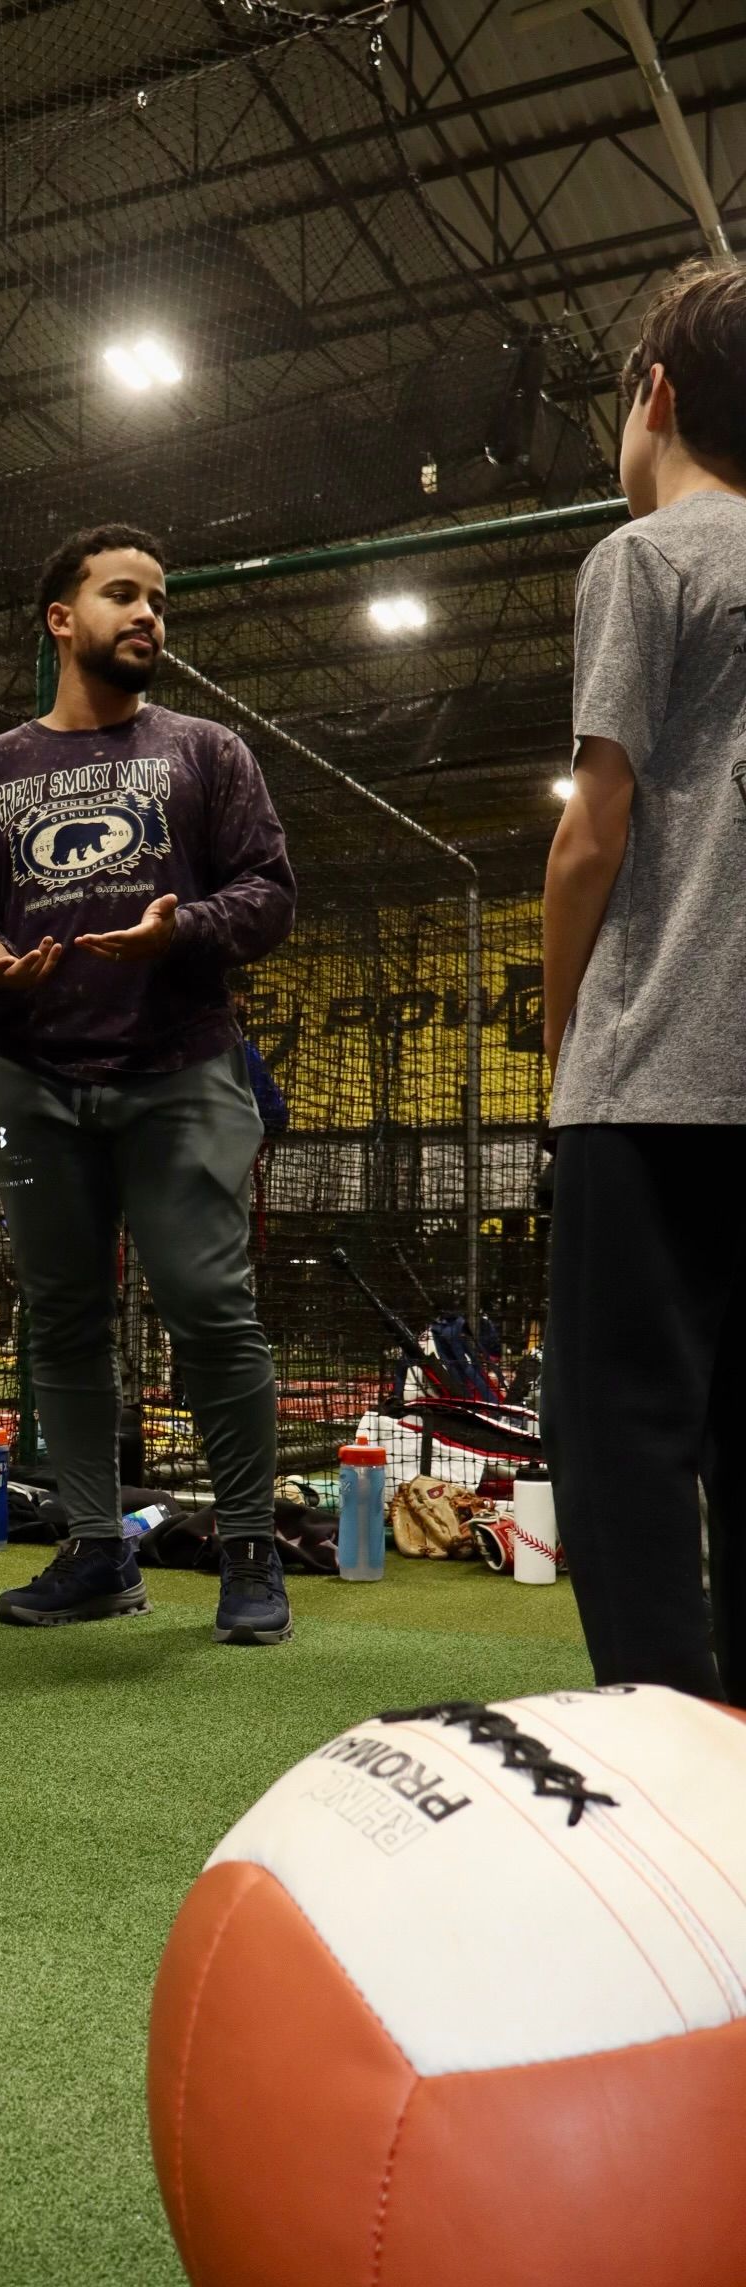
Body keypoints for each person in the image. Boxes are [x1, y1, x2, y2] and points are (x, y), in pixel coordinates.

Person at [0, 524, 296, 1636]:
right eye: (121, 596)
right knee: (65, 1321)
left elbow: (269, 894)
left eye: (158, 601)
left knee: (210, 1308)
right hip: (34, 1078)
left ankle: (247, 1554)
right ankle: (94, 1553)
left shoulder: (206, 753)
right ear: (60, 621)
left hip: (178, 1070)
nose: (147, 617)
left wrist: (180, 934)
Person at [542, 257, 746, 1705]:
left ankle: (668, 1760)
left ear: (654, 399)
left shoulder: (649, 559)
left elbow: (592, 833)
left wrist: (569, 1050)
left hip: (661, 1074)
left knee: (618, 1429)